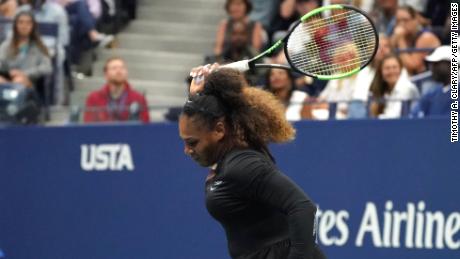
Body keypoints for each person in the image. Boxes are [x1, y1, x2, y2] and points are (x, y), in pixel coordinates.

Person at [181, 65, 326, 259]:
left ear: (219, 130)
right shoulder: (229, 157)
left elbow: (303, 208)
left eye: (192, 143)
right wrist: (197, 95)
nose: (187, 150)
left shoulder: (243, 165)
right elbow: (204, 118)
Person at [83, 57, 150, 123]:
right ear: (106, 74)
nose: (119, 71)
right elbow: (89, 125)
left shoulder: (138, 98)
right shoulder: (94, 98)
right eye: (114, 68)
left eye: (122, 68)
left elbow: (145, 126)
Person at [0, 11, 52, 90]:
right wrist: (7, 74)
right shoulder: (6, 45)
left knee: (18, 81)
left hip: (28, 83)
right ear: (16, 25)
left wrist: (24, 73)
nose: (24, 26)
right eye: (21, 22)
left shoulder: (39, 47)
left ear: (33, 26)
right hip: (8, 78)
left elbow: (47, 67)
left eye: (28, 23)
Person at [390, 5, 441, 75]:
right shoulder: (402, 37)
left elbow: (413, 66)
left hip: (430, 79)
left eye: (405, 20)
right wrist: (393, 42)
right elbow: (387, 59)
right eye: (398, 21)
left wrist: (400, 41)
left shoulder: (426, 37)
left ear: (415, 20)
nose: (401, 24)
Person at [369, 54, 419, 119]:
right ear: (381, 72)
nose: (391, 71)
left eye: (394, 67)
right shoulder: (383, 91)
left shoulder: (407, 88)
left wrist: (377, 118)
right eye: (387, 68)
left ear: (400, 69)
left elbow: (394, 116)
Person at [411, 45, 452, 118]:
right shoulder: (431, 94)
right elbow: (415, 115)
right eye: (431, 64)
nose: (432, 68)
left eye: (437, 64)